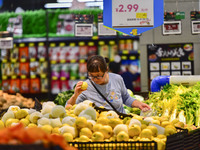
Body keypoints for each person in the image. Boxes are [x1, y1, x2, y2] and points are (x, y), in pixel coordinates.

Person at [66, 55, 150, 113]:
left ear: (106, 70)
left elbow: (126, 98)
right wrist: (75, 95)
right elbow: (69, 108)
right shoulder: (86, 87)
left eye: (98, 76)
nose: (95, 79)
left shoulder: (117, 79)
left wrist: (139, 104)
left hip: (120, 124)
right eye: (91, 76)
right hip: (99, 127)